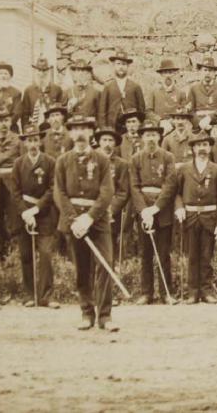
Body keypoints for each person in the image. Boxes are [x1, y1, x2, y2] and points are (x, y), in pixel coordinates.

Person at [53, 116, 119, 332]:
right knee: (82, 268)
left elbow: (107, 191)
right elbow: (59, 193)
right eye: (75, 129)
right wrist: (74, 220)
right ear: (70, 134)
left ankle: (105, 316)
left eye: (84, 129)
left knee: (106, 264)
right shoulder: (62, 161)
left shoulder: (101, 160)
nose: (80, 133)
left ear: (91, 133)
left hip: (97, 220)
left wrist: (89, 217)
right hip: (74, 224)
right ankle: (86, 313)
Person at [156, 130, 217, 304]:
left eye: (205, 145)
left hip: (209, 216)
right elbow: (176, 193)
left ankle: (207, 291)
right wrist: (179, 208)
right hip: (191, 216)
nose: (202, 148)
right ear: (193, 149)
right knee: (192, 255)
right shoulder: (184, 169)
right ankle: (193, 292)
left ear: (210, 148)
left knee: (207, 255)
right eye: (198, 145)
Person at [131, 118, 176, 305]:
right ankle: (146, 293)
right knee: (145, 253)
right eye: (147, 134)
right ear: (141, 137)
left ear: (159, 136)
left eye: (154, 134)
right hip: (143, 212)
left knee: (163, 253)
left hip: (162, 210)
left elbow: (170, 184)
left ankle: (166, 292)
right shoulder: (135, 159)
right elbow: (133, 187)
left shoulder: (168, 157)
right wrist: (144, 211)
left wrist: (156, 208)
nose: (150, 138)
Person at [14, 124, 60, 309]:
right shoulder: (18, 164)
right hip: (24, 213)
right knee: (26, 254)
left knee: (46, 253)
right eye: (29, 140)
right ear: (24, 143)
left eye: (35, 140)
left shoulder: (50, 162)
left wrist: (37, 209)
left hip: (45, 214)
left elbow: (52, 189)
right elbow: (15, 192)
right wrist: (25, 212)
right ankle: (29, 294)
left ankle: (45, 295)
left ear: (40, 141)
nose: (33, 144)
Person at [97, 126, 132, 305]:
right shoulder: (90, 160)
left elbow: (123, 191)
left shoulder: (121, 165)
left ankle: (109, 293)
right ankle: (91, 293)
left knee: (109, 254)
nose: (108, 144)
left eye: (111, 141)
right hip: (91, 215)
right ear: (98, 142)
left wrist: (111, 209)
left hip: (112, 215)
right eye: (104, 140)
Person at [0, 108, 22, 262]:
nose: (3, 124)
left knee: (14, 217)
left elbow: (22, 164)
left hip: (12, 183)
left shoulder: (18, 140)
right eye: (0, 121)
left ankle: (16, 251)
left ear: (11, 122)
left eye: (6, 120)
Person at [98, 48, 146, 132]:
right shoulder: (108, 86)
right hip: (112, 126)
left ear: (127, 66)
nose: (121, 67)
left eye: (124, 64)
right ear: (114, 65)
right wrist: (103, 128)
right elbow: (102, 111)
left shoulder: (135, 86)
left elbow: (141, 109)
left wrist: (140, 126)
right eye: (118, 64)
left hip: (130, 126)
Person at [16, 56, 64, 128]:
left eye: (44, 71)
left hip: (52, 127)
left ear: (48, 72)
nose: (41, 74)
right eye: (39, 70)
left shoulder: (57, 89)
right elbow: (25, 115)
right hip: (35, 127)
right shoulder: (29, 90)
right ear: (35, 72)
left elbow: (61, 112)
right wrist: (26, 131)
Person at [148, 58, 190, 130]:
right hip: (159, 126)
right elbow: (148, 111)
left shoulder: (180, 93)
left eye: (170, 72)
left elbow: (184, 110)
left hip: (175, 125)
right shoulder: (154, 92)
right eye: (165, 73)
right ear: (161, 74)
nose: (168, 76)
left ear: (174, 74)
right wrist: (160, 120)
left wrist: (173, 120)